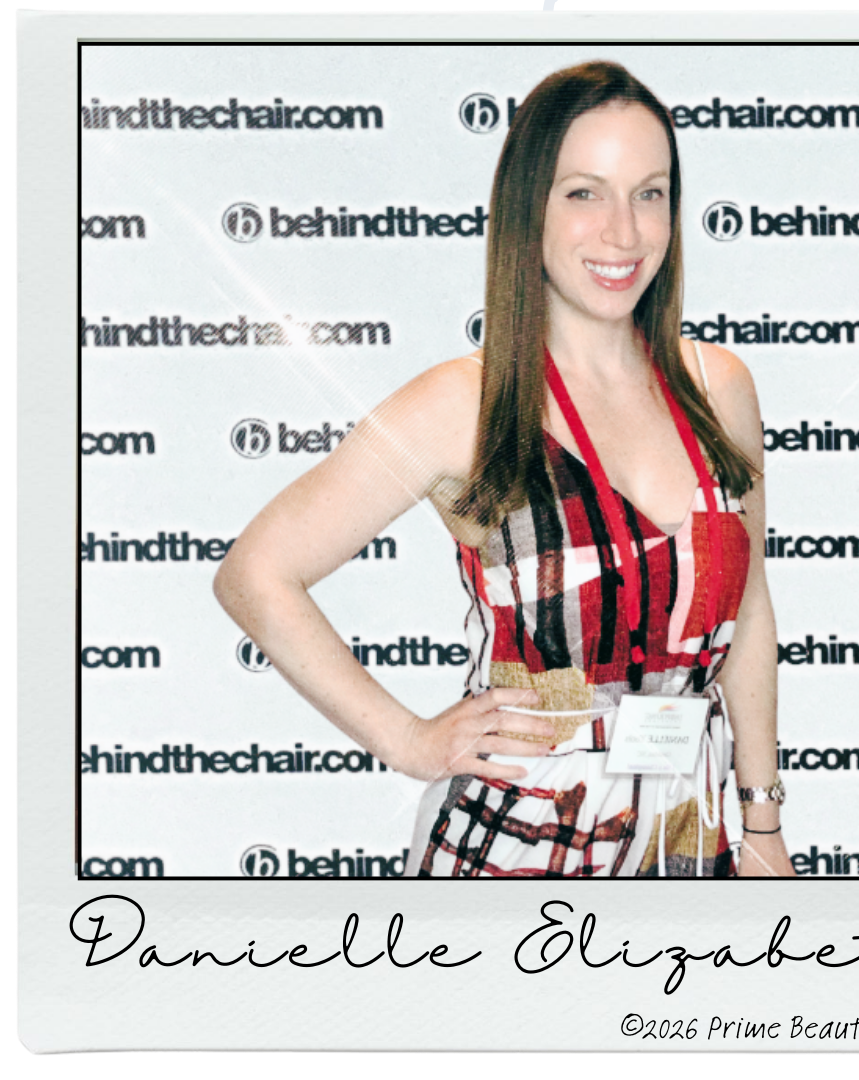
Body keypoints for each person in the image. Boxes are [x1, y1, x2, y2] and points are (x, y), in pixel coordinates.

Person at [214, 61, 794, 878]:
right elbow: (255, 575)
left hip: (691, 838)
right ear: (530, 208)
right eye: (585, 193)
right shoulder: (465, 403)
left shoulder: (718, 386)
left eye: (650, 194)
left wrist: (762, 820)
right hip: (520, 844)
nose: (623, 232)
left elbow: (750, 608)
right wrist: (409, 740)